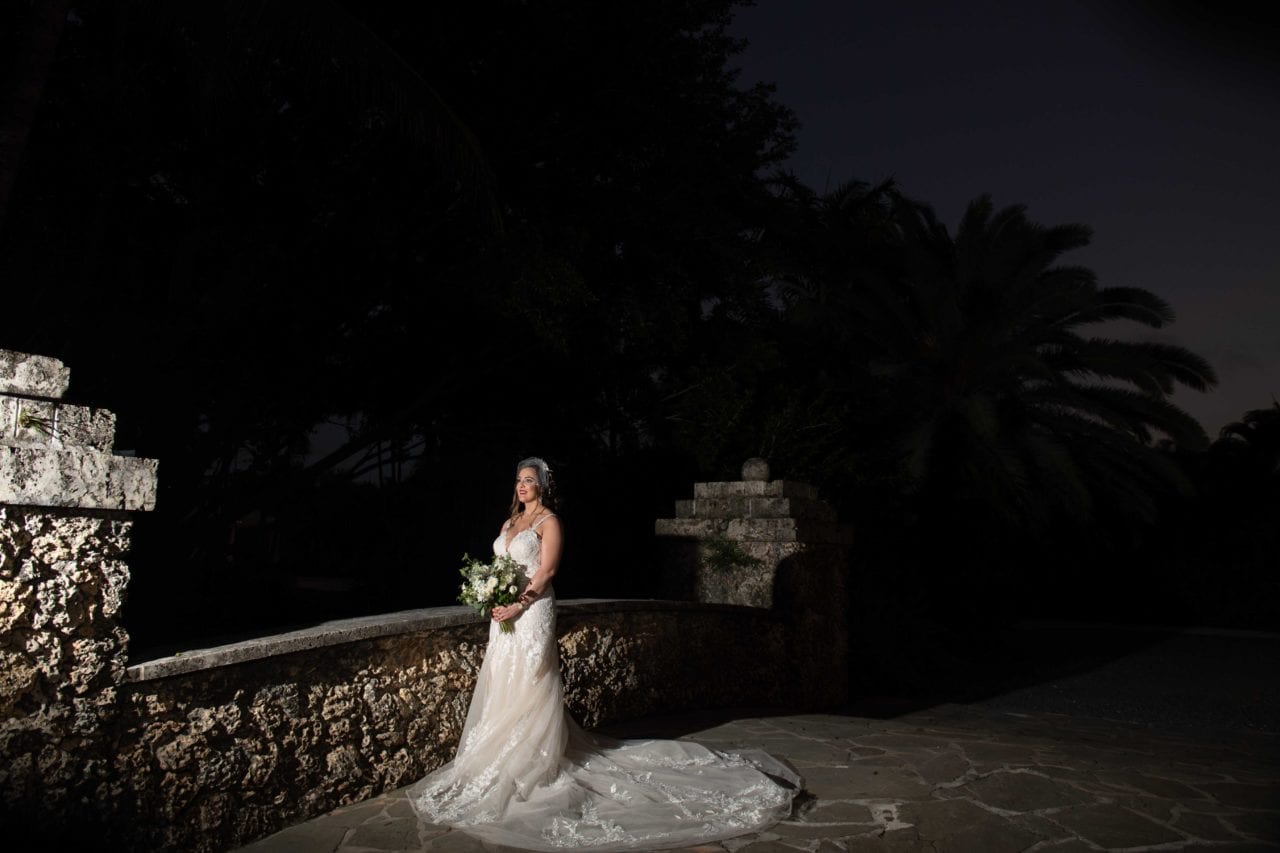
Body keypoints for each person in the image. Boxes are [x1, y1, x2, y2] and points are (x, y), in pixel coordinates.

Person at [408, 456, 801, 850]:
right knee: (503, 679)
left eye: (529, 480)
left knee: (531, 682)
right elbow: (500, 567)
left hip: (531, 612)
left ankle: (530, 763)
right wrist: (492, 597)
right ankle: (497, 759)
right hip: (504, 616)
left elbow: (545, 573)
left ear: (543, 485)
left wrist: (516, 605)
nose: (522, 486)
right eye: (518, 480)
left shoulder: (549, 522)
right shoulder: (509, 524)